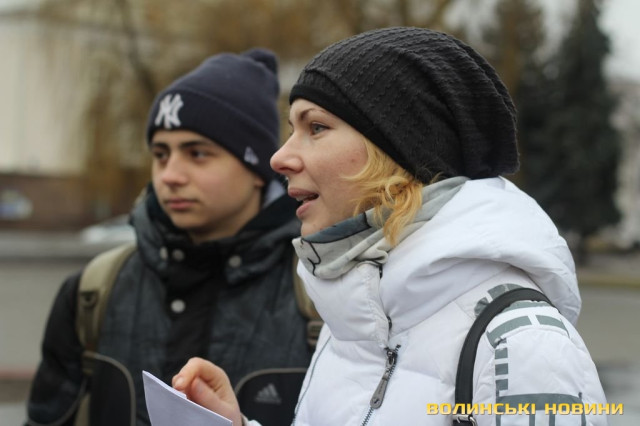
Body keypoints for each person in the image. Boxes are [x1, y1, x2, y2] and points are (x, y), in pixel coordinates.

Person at [171, 27, 609, 426]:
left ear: (400, 149)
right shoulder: (355, 315)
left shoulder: (523, 345)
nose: (279, 157)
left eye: (316, 127)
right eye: (291, 130)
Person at [26, 48, 313, 426]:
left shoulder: (318, 296)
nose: (170, 175)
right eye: (161, 154)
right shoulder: (94, 291)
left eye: (197, 154)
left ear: (257, 167)